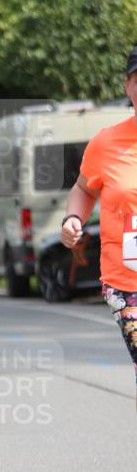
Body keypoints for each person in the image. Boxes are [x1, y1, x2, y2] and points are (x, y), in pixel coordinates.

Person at [62, 44, 137, 405]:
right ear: (127, 86)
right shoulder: (106, 143)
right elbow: (83, 189)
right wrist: (73, 218)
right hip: (127, 283)